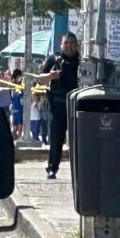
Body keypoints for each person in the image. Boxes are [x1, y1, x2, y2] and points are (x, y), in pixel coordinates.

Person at [35, 33, 81, 179]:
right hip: (58, 105)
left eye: (72, 43)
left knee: (78, 140)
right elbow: (40, 80)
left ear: (76, 45)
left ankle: (80, 170)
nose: (69, 46)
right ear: (61, 45)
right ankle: (52, 168)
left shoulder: (82, 61)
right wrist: (51, 76)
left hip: (77, 105)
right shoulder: (54, 59)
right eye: (66, 43)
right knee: (56, 139)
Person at [10, 68, 24, 140]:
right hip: (19, 108)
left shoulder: (12, 83)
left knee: (15, 127)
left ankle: (16, 140)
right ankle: (17, 140)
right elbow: (21, 98)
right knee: (19, 126)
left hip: (14, 107)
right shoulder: (18, 84)